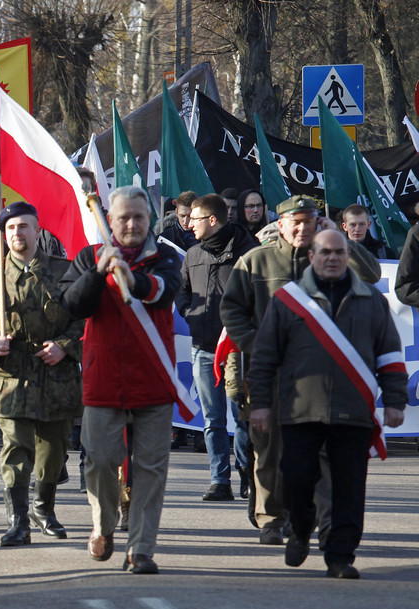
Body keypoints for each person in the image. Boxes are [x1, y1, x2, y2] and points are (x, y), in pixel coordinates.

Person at [220, 194, 381, 546]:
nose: (303, 228)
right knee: (269, 450)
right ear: (281, 225)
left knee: (315, 452)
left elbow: (372, 274)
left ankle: (305, 518)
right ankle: (271, 518)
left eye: (310, 221)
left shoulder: (328, 258)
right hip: (270, 373)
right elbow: (232, 310)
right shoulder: (255, 262)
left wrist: (336, 238)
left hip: (317, 376)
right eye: (297, 222)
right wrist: (254, 345)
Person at [247, 229, 406, 579]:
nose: (333, 258)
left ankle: (340, 556)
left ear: (347, 255)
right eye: (325, 252)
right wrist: (259, 403)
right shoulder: (288, 300)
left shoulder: (371, 301)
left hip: (353, 412)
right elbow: (264, 358)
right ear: (313, 256)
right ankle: (301, 530)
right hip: (300, 411)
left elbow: (390, 354)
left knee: (349, 489)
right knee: (297, 480)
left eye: (339, 252)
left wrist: (395, 400)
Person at [61, 185, 184, 575]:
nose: (131, 224)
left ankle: (142, 548)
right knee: (98, 461)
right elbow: (70, 305)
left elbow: (164, 292)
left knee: (151, 467)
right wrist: (100, 274)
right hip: (103, 380)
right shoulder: (89, 258)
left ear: (150, 220)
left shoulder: (164, 257)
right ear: (109, 221)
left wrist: (135, 280)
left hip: (152, 378)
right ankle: (104, 526)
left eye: (139, 217)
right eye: (123, 218)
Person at [0, 202, 83, 546]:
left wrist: (65, 345)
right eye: (10, 228)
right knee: (16, 449)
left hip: (56, 377)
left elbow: (85, 319)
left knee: (53, 450)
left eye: (24, 227)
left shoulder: (65, 272)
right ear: (3, 235)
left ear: (38, 231)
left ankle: (43, 509)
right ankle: (18, 521)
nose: (17, 234)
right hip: (11, 378)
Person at [176, 193, 258, 501]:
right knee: (211, 420)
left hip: (239, 349)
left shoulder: (248, 252)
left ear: (212, 220)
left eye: (194, 219)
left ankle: (247, 473)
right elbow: (182, 291)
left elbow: (257, 297)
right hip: (203, 348)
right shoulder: (192, 254)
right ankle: (218, 480)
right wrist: (189, 312)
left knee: (242, 417)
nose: (189, 225)